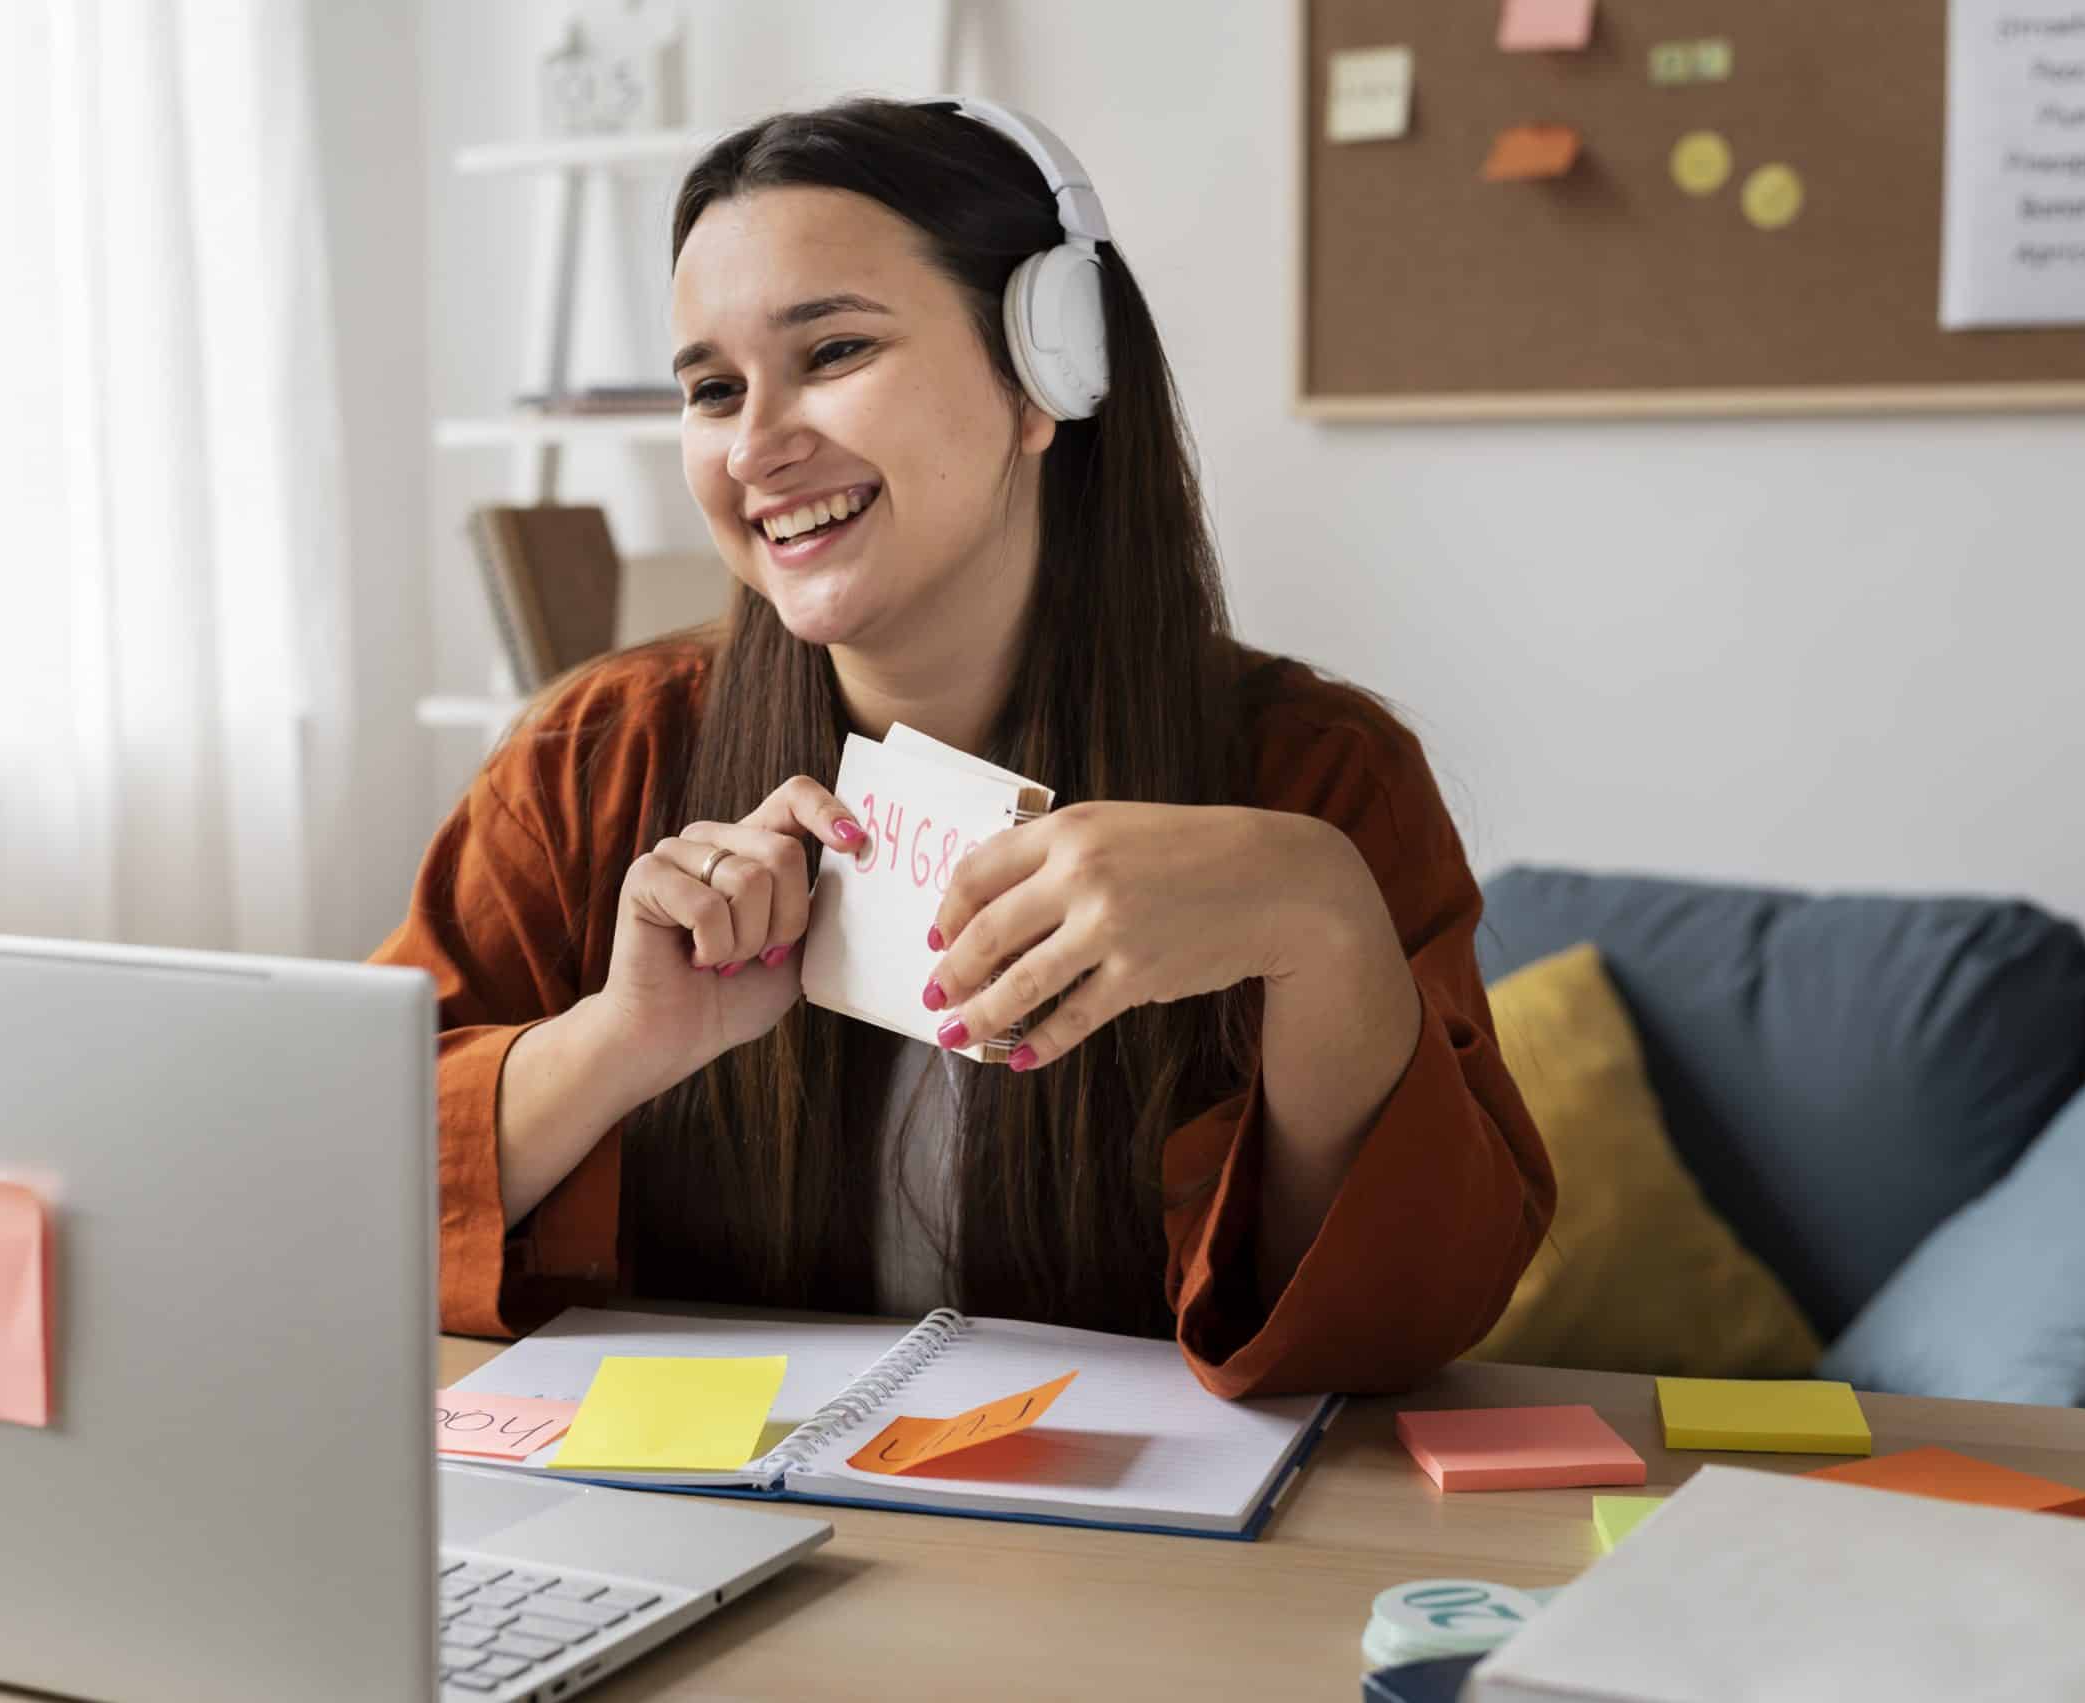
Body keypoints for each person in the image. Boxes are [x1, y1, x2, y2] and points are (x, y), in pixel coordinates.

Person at [375, 98, 1551, 1398]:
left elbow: (1402, 1328)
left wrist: (1324, 931)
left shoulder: (1321, 781)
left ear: (1048, 370)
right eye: (713, 389)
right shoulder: (590, 762)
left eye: (832, 350)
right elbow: (328, 1195)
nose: (755, 446)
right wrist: (618, 1042)